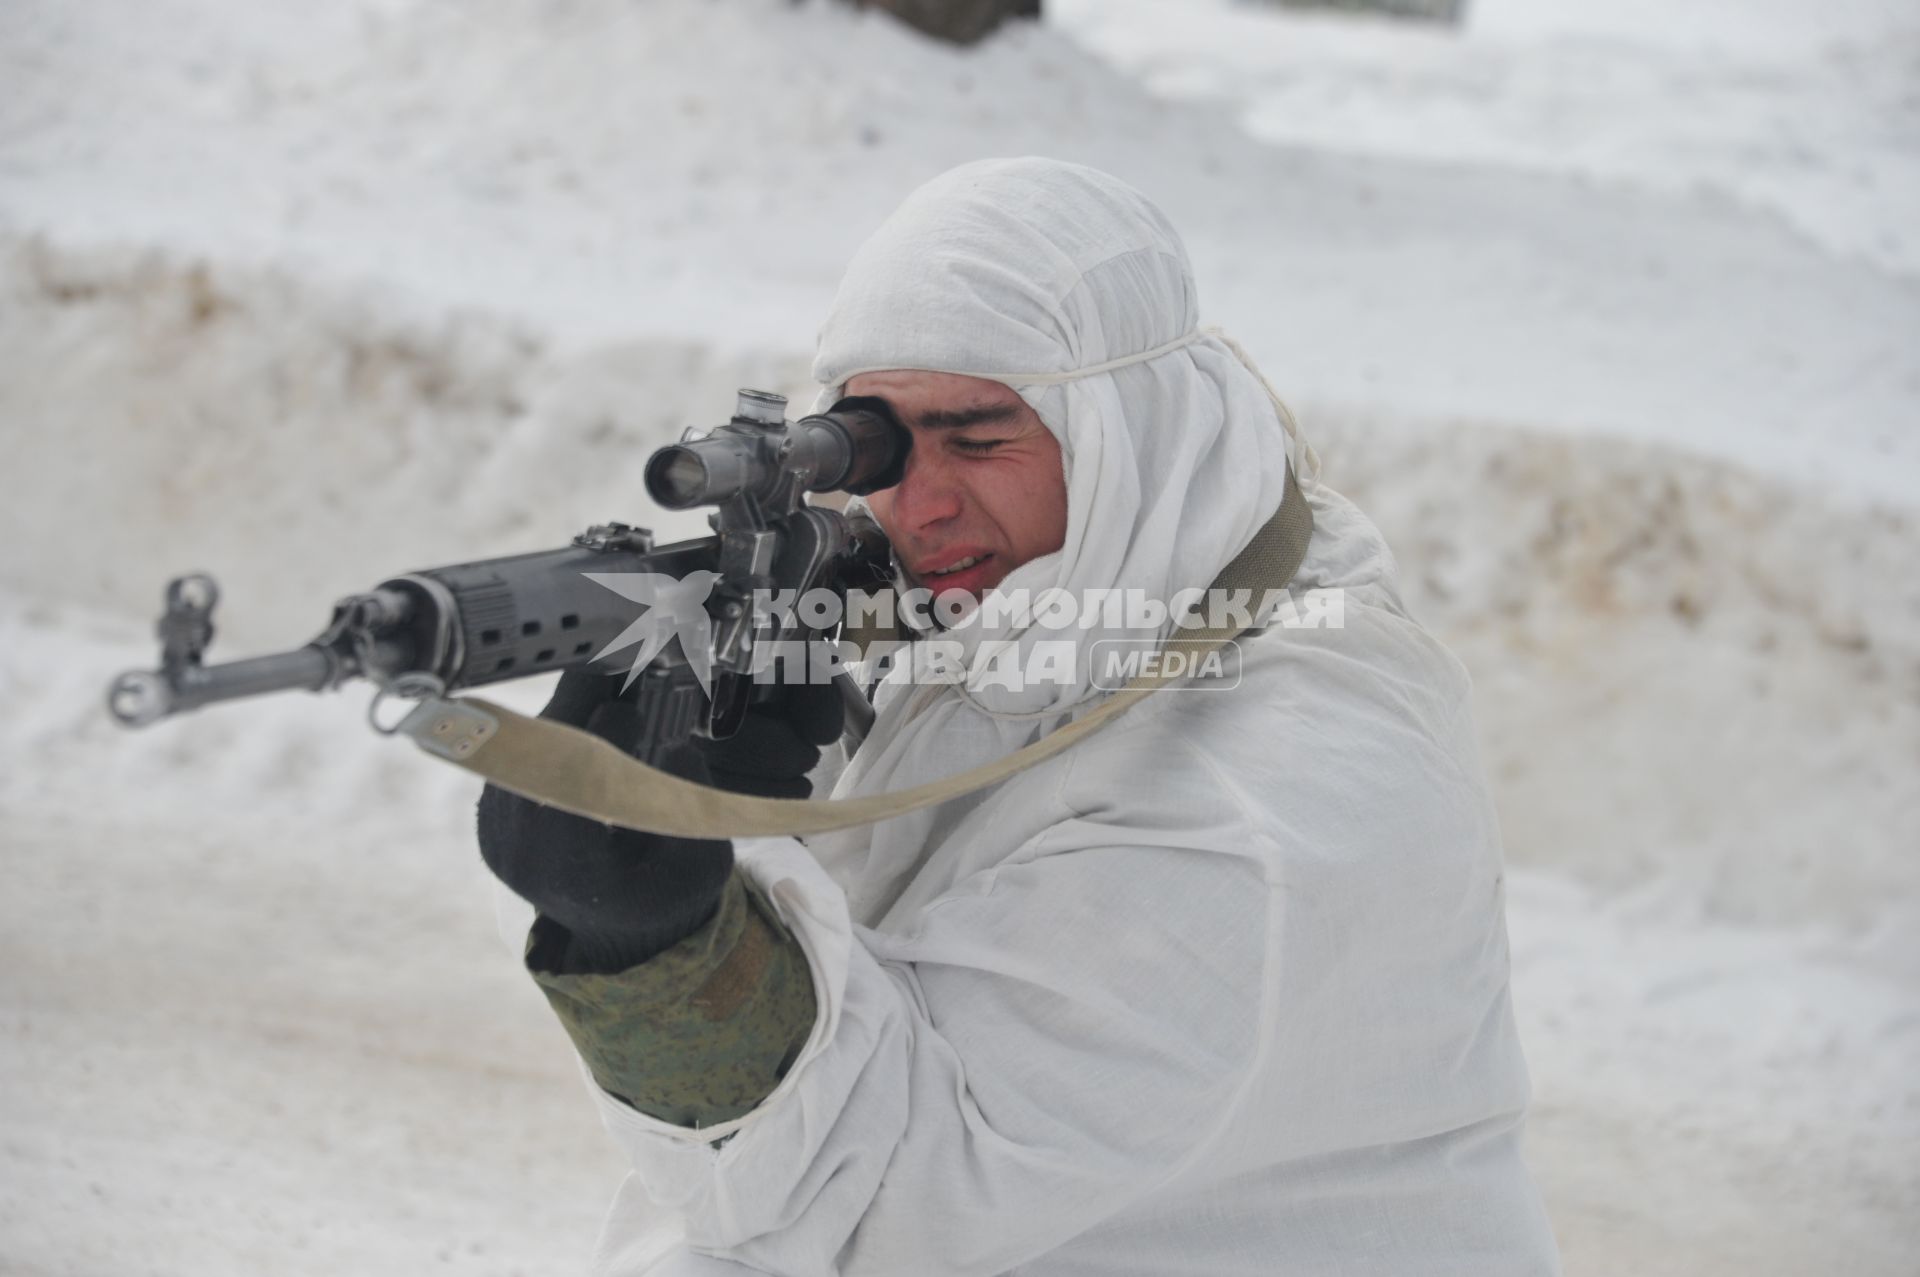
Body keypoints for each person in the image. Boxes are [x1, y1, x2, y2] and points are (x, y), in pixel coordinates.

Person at [478, 158, 1562, 1275]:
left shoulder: (1254, 801)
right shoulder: (1135, 571)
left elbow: (882, 1205)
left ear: (1125, 432)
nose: (919, 504)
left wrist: (651, 937)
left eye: (979, 438)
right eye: (876, 446)